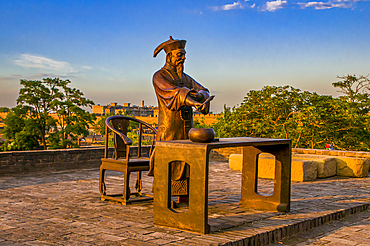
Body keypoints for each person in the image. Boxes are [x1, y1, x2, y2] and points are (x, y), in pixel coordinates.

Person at [148, 36, 212, 203]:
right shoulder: (159, 76)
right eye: (180, 54)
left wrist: (201, 98)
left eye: (184, 54)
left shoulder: (185, 77)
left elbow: (202, 89)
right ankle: (163, 199)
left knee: (185, 165)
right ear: (169, 56)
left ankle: (185, 197)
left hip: (186, 129)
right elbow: (174, 93)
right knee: (168, 164)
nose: (183, 58)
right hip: (169, 129)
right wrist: (193, 101)